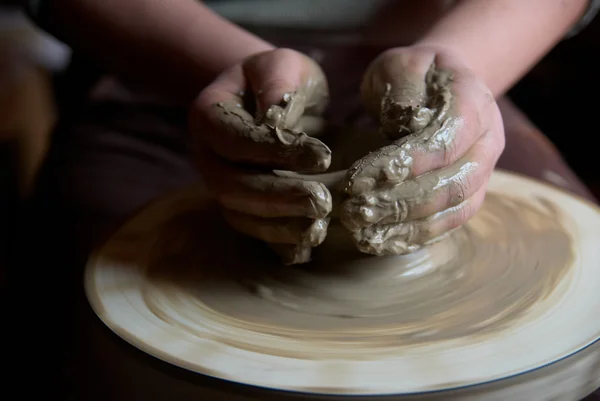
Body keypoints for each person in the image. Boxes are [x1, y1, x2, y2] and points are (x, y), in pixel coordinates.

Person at [7, 1, 600, 399]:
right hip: (172, 70)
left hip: (456, 66)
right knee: (68, 325)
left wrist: (464, 68)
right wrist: (227, 67)